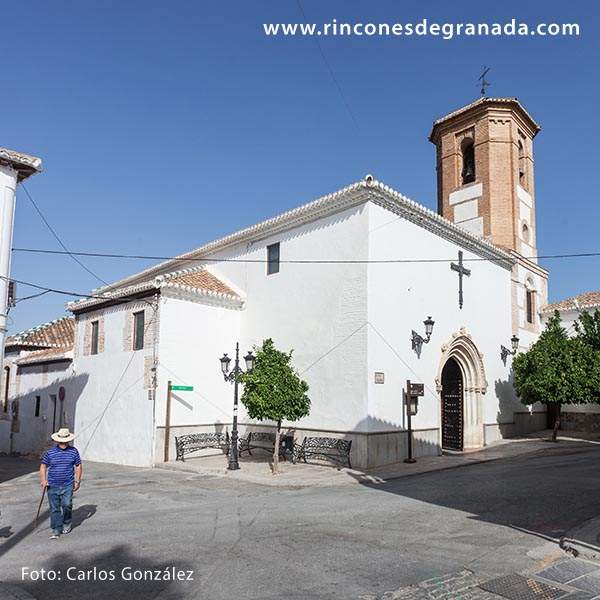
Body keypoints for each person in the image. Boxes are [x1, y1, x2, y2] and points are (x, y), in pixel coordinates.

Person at [39, 428, 82, 539]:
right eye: (61, 441)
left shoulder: (74, 451)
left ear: (68, 440)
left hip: (68, 484)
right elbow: (43, 466)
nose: (63, 443)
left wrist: (77, 480)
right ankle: (56, 529)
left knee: (67, 505)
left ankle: (66, 522)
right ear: (57, 441)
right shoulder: (50, 453)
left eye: (65, 441)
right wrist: (43, 480)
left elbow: (78, 465)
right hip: (52, 484)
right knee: (55, 508)